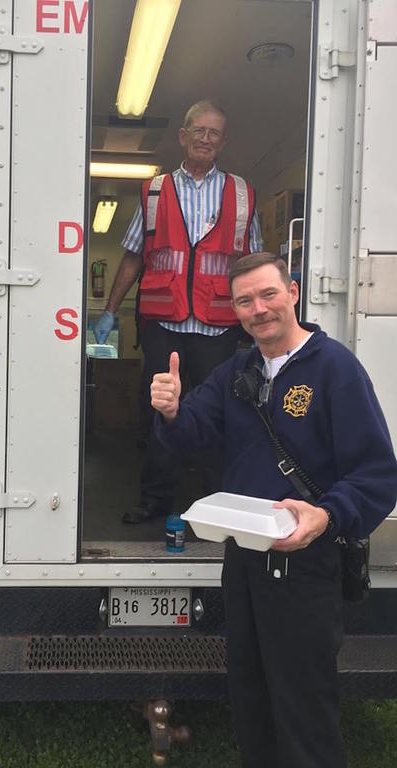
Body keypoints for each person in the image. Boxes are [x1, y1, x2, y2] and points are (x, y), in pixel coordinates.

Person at [151, 252, 397, 768]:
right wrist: (173, 411)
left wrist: (326, 516)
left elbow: (377, 476)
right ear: (235, 311)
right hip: (245, 561)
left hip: (306, 565)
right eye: (245, 301)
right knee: (250, 693)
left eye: (267, 294)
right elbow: (195, 430)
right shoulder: (237, 369)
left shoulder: (336, 369)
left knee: (303, 706)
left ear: (293, 292)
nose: (258, 309)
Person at [94, 100, 264, 523]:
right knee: (160, 410)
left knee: (217, 413)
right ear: (182, 136)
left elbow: (253, 264)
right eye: (198, 131)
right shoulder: (154, 190)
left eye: (214, 133)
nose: (206, 139)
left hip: (218, 329)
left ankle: (217, 504)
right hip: (163, 325)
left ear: (223, 142)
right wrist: (110, 309)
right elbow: (135, 255)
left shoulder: (241, 194)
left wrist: (262, 320)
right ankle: (155, 500)